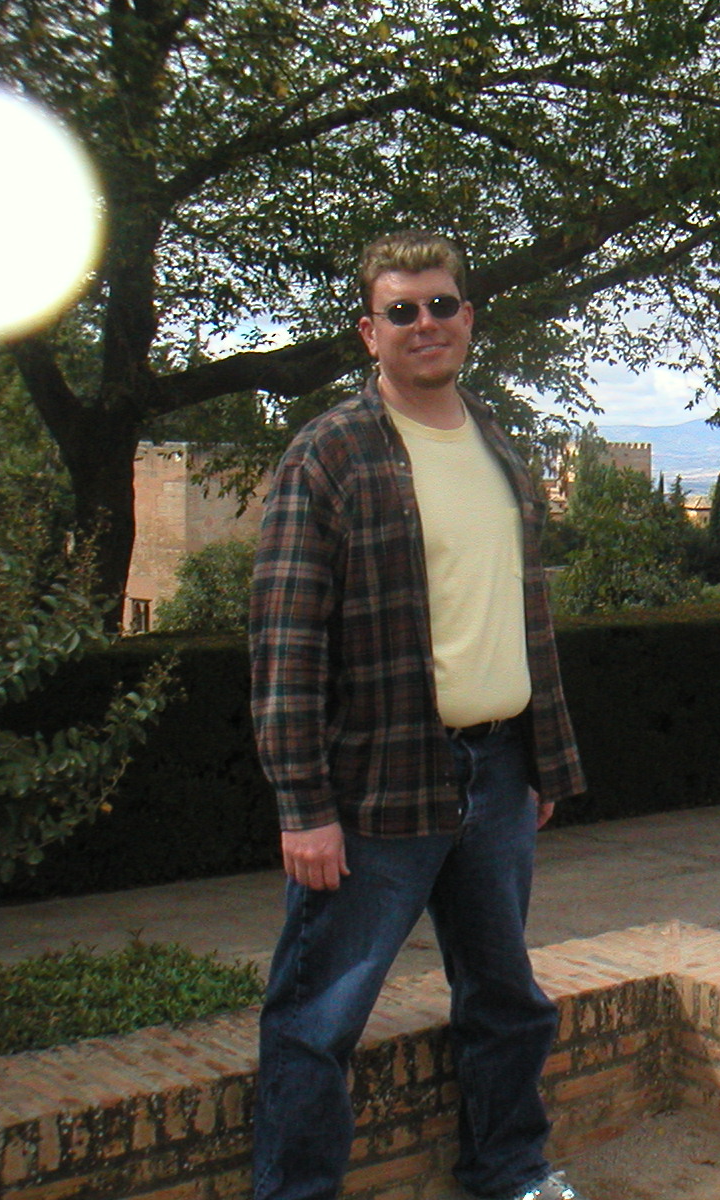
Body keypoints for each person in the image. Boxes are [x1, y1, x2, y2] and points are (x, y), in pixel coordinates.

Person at [249, 231, 589, 1200]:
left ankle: (510, 1174)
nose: (425, 322)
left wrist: (539, 764)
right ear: (371, 333)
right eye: (401, 310)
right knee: (317, 1019)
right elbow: (284, 643)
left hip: (499, 777)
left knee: (506, 998)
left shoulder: (496, 447)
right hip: (377, 786)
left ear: (468, 318)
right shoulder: (330, 453)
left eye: (441, 304)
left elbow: (519, 616)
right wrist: (303, 807)